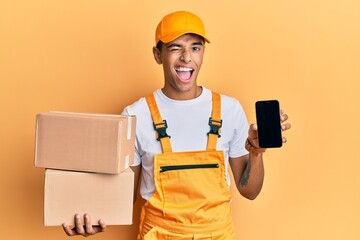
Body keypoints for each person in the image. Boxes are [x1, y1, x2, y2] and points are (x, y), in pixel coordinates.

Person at [63, 11, 291, 239]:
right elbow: (122, 198)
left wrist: (256, 152)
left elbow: (249, 191)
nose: (186, 57)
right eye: (175, 47)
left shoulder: (230, 110)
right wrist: (92, 218)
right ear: (157, 54)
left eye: (195, 47)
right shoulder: (135, 116)